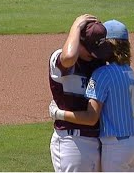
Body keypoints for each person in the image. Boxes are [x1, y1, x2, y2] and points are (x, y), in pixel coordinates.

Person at [49, 19, 134, 172]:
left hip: (113, 147)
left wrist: (58, 113)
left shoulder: (102, 72)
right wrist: (77, 26)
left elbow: (91, 117)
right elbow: (68, 58)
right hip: (133, 143)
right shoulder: (128, 72)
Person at [48, 14, 109, 172]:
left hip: (99, 141)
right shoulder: (60, 61)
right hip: (72, 143)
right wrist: (76, 26)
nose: (94, 54)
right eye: (90, 50)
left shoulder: (98, 61)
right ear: (78, 41)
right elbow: (68, 57)